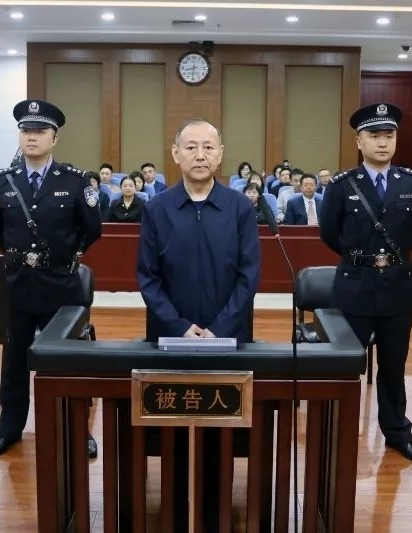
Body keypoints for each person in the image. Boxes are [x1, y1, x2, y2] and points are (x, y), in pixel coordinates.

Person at [137, 118, 260, 532]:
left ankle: (216, 504)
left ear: (221, 154)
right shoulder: (156, 209)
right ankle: (174, 501)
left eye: (208, 147)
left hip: (229, 337)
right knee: (174, 423)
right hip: (171, 338)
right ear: (176, 154)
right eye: (191, 147)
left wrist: (221, 328)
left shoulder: (240, 208)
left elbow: (248, 276)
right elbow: (148, 277)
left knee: (221, 425)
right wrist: (178, 327)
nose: (200, 155)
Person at [0, 99, 102, 460]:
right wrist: (23, 258)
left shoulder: (76, 181)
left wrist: (63, 259)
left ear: (54, 138)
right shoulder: (3, 182)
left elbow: (92, 229)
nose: (32, 137)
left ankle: (77, 429)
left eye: (39, 131)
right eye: (26, 131)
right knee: (14, 363)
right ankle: (9, 429)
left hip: (60, 287)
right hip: (17, 285)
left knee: (69, 362)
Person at [319, 103, 412, 464]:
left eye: (389, 136)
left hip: (397, 287)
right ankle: (339, 431)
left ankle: (397, 433)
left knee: (394, 367)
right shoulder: (341, 185)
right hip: (355, 286)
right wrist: (361, 259)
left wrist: (389, 260)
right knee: (347, 367)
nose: (383, 143)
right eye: (374, 136)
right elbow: (330, 233)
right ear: (359, 141)